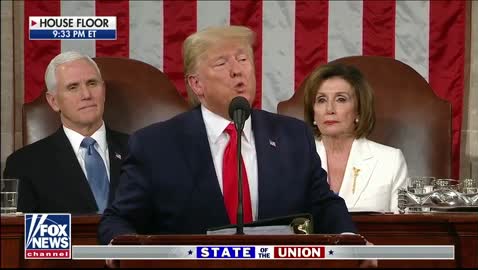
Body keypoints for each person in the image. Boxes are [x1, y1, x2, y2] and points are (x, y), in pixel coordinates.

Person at [98, 25, 357, 244]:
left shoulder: (293, 136)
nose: (238, 70)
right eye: (222, 63)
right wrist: (123, 251)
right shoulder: (156, 145)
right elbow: (119, 219)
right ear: (196, 84)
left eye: (243, 60)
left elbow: (324, 205)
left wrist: (350, 239)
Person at [3, 51, 129, 214]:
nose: (86, 95)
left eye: (92, 83)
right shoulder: (24, 165)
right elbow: (21, 234)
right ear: (54, 101)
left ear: (103, 90)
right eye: (73, 87)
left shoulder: (142, 151)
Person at [303, 62, 408, 213]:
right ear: (313, 112)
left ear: (359, 110)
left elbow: (402, 231)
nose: (329, 109)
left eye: (341, 99)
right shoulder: (295, 160)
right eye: (321, 100)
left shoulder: (390, 161)